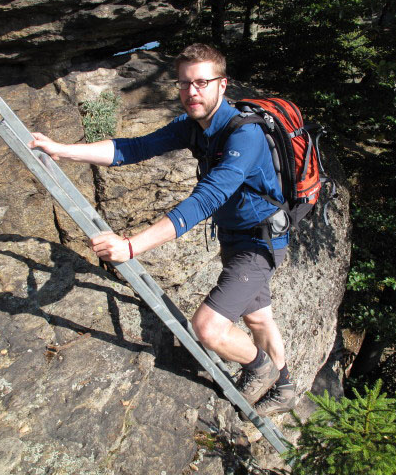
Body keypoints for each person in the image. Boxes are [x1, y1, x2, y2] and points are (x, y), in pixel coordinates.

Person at [29, 43, 295, 416]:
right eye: (185, 84)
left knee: (207, 328)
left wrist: (132, 247)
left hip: (259, 242)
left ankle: (260, 369)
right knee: (258, 316)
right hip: (236, 236)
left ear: (223, 84)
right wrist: (64, 149)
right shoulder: (193, 128)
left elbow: (205, 200)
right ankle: (284, 390)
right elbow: (133, 148)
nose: (192, 92)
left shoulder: (243, 136)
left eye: (202, 82)